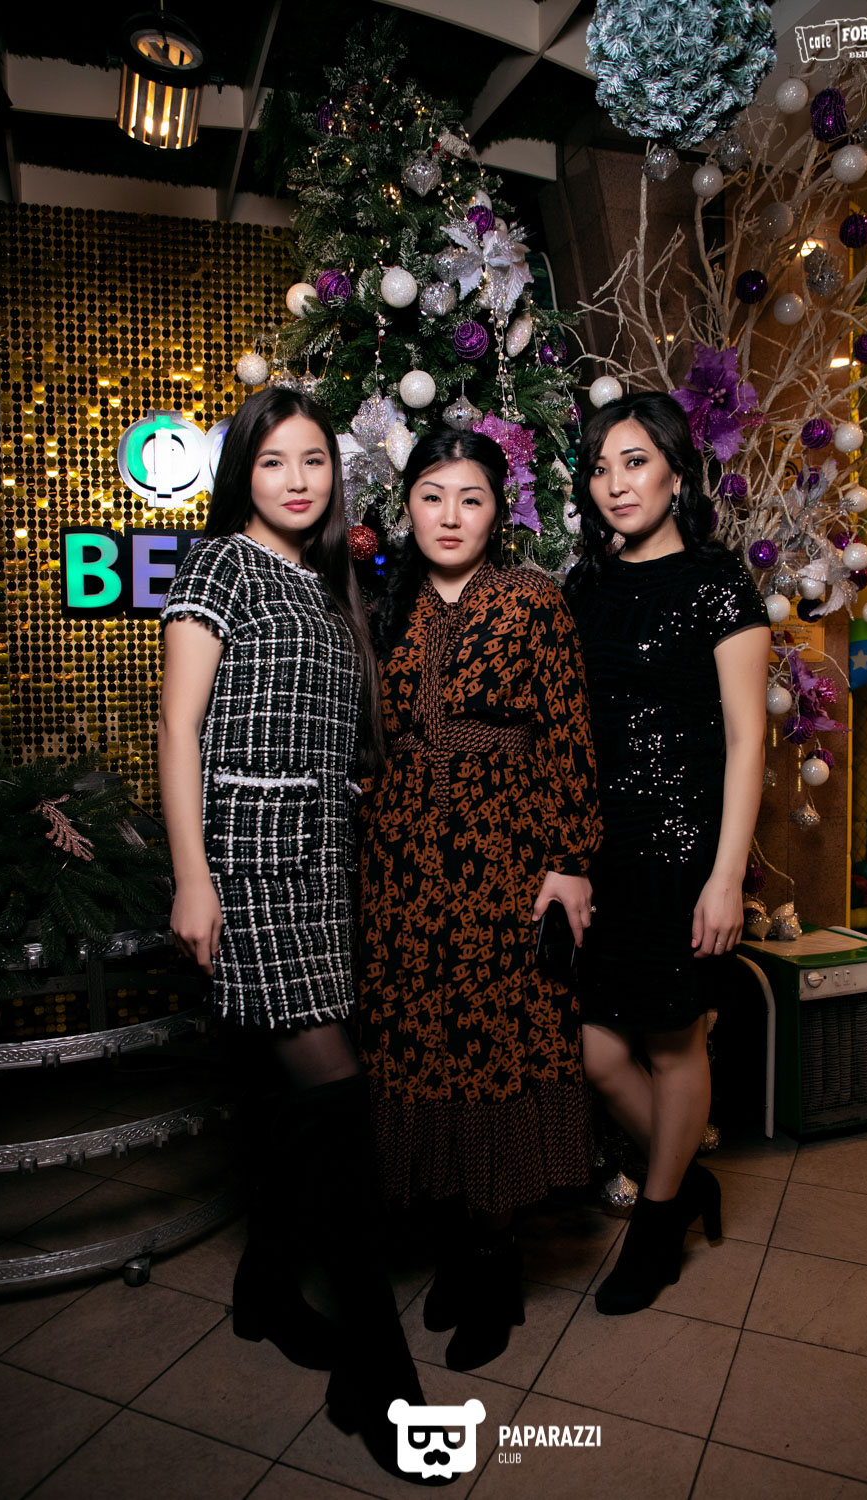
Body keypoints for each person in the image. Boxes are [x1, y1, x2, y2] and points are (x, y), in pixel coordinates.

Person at [157, 387, 427, 1482]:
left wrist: (346, 794)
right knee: (339, 1101)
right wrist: (193, 878)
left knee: (282, 1108)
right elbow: (178, 727)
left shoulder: (324, 585)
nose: (297, 479)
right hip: (247, 873)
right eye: (273, 461)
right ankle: (379, 1376)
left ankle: (265, 1288)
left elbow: (320, 731)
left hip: (321, 869)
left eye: (313, 459)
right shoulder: (219, 567)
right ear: (245, 476)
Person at [359, 427, 601, 1371]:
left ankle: (497, 1265)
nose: (450, 516)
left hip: (506, 861)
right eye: (432, 496)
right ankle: (457, 1247)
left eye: (471, 498)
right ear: (407, 506)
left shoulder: (535, 601)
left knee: (494, 1048)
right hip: (403, 866)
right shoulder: (384, 602)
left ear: (500, 511)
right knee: (424, 1044)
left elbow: (570, 737)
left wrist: (570, 861)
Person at [565, 390, 770, 1315]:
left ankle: (654, 1228)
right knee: (594, 1050)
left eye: (635, 461)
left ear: (677, 472)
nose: (616, 483)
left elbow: (748, 741)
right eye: (600, 467)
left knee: (674, 1041)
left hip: (684, 851)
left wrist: (726, 877)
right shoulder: (584, 587)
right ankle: (682, 1184)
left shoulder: (720, 584)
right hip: (599, 854)